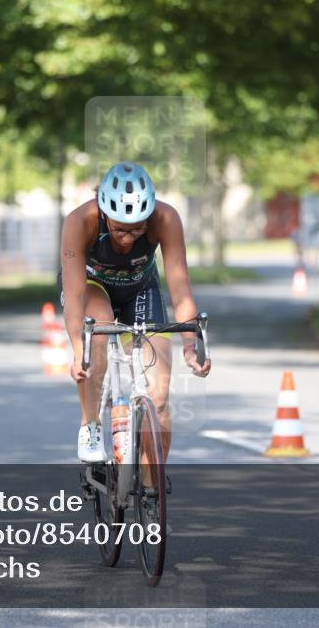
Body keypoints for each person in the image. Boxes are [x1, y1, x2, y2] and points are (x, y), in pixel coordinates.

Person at [60, 161, 211, 463]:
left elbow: (181, 289)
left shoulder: (166, 219)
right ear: (104, 214)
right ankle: (90, 424)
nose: (128, 239)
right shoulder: (80, 221)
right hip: (92, 286)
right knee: (98, 328)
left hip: (140, 289)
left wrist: (192, 346)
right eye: (119, 230)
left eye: (137, 229)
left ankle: (151, 494)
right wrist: (79, 350)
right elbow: (75, 296)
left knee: (159, 398)